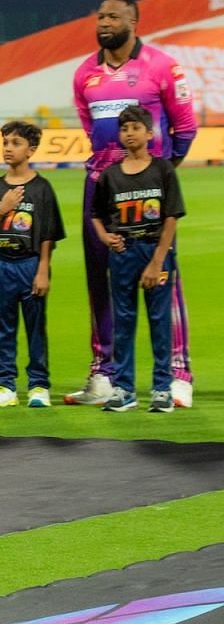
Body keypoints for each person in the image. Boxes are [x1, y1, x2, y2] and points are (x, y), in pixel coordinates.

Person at [69, 0, 197, 407]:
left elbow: (186, 128)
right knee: (100, 283)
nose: (103, 22)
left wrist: (159, 175)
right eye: (99, 15)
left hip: (147, 191)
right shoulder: (84, 73)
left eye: (113, 16)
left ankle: (178, 375)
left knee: (162, 280)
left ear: (134, 21)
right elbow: (91, 129)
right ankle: (104, 373)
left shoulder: (162, 66)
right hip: (101, 185)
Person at [90, 105, 185, 414]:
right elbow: (96, 215)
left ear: (149, 133)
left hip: (154, 252)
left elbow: (171, 218)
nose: (129, 133)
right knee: (123, 321)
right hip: (123, 254)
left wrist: (158, 261)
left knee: (159, 322)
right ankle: (123, 388)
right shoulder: (110, 175)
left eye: (135, 128)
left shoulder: (162, 170)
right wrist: (105, 237)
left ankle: (162, 389)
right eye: (124, 128)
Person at [0, 120, 65, 408]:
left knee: (35, 327)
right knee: (1, 327)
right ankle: (6, 386)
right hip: (0, 264)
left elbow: (48, 234)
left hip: (29, 265)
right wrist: (3, 208)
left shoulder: (41, 188)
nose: (8, 149)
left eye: (16, 143)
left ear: (32, 149)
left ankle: (39, 385)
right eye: (5, 143)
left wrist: (42, 271)